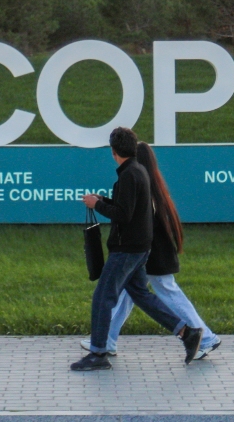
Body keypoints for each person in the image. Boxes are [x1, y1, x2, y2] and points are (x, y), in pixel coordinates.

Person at [72, 126, 202, 371]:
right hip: (139, 249)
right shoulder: (138, 171)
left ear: (113, 151)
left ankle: (98, 353)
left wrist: (96, 206)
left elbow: (123, 214)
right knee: (142, 296)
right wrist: (102, 200)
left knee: (102, 298)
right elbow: (127, 206)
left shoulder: (128, 175)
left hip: (126, 250)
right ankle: (187, 333)